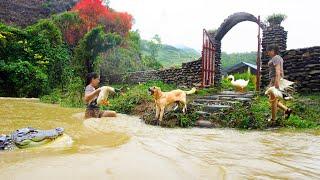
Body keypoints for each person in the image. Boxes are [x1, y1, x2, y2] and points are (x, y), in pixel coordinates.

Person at [266, 44, 292, 122]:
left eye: (269, 51)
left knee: (273, 99)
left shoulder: (276, 58)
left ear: (273, 51)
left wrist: (276, 83)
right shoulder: (278, 58)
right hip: (274, 80)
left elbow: (278, 71)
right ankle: (287, 110)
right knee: (272, 99)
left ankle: (273, 119)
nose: (268, 53)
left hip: (275, 80)